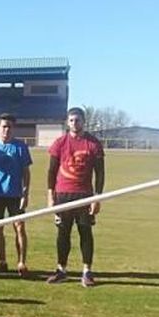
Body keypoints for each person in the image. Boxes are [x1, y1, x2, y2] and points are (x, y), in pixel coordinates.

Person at [45, 107, 104, 287]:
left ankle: (87, 271)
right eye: (71, 120)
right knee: (63, 234)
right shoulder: (60, 143)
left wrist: (97, 198)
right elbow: (52, 171)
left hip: (84, 196)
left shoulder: (93, 144)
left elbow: (100, 173)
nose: (74, 123)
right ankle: (61, 270)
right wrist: (50, 195)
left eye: (77, 120)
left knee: (85, 233)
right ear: (67, 122)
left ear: (84, 121)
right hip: (63, 195)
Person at [0, 114, 32, 277]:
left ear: (13, 128)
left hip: (15, 195)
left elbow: (26, 172)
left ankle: (22, 262)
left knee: (19, 227)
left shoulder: (20, 147)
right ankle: (2, 261)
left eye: (9, 126)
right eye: (4, 126)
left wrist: (25, 193)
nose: (6, 129)